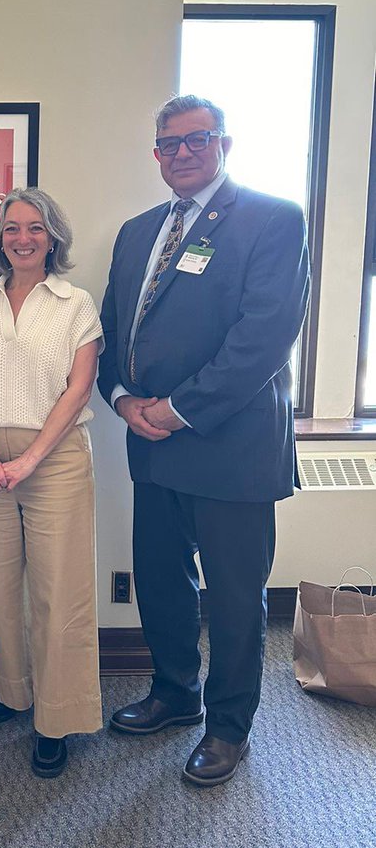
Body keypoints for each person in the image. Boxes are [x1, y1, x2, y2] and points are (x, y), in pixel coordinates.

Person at [98, 94, 310, 787]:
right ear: (155, 153)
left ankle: (228, 728)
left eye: (198, 139)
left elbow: (264, 338)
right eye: (169, 143)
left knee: (232, 597)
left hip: (230, 444)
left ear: (224, 144)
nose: (182, 153)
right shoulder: (137, 233)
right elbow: (114, 329)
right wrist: (126, 399)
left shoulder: (272, 220)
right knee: (161, 579)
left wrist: (180, 408)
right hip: (151, 441)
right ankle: (174, 692)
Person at [0, 188, 103, 778]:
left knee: (57, 590)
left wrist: (28, 460)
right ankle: (15, 690)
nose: (22, 238)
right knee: (1, 579)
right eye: (11, 228)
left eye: (34, 228)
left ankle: (57, 718)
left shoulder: (74, 303)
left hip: (55, 458)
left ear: (53, 237)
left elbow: (79, 388)